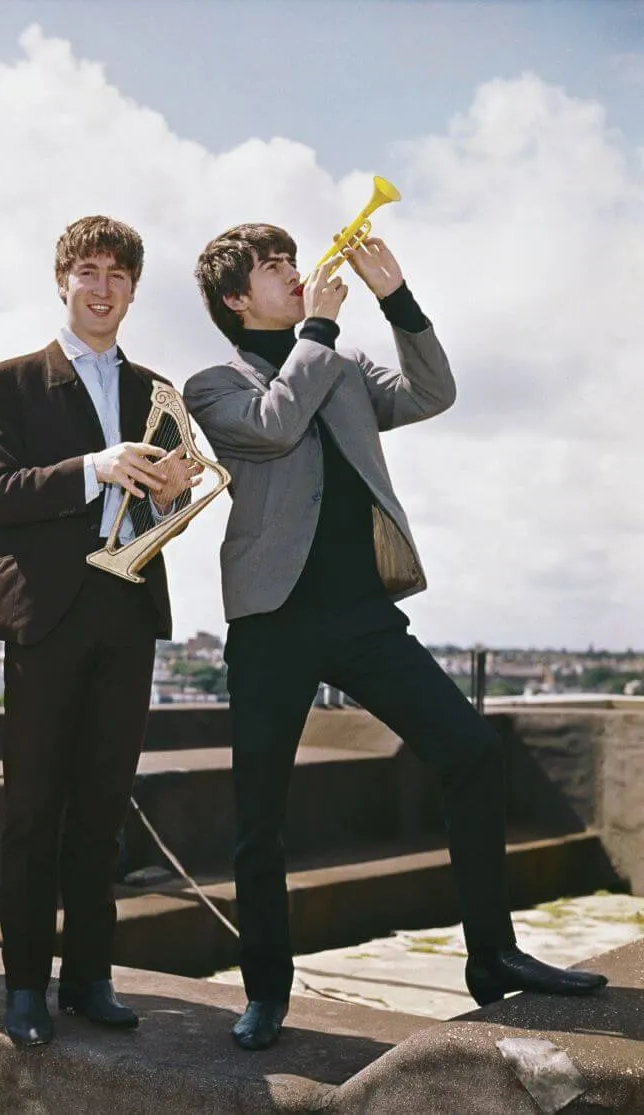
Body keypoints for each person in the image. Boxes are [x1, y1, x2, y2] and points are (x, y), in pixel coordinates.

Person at [183, 225, 608, 1051]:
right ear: (237, 300)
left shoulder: (338, 364)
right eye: (275, 269)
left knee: (472, 751)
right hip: (271, 619)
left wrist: (397, 300)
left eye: (291, 261)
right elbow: (273, 426)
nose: (297, 273)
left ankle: (493, 957)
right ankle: (266, 990)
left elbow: (430, 392)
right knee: (257, 816)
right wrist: (319, 332)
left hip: (361, 611)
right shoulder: (212, 384)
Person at [0, 215, 200, 1047]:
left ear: (134, 289)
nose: (102, 287)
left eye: (118, 275)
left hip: (128, 612)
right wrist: (89, 470)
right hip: (48, 619)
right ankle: (25, 984)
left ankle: (90, 978)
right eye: (88, 271)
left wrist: (174, 493)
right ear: (62, 280)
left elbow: (168, 507)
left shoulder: (156, 388)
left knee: (103, 811)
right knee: (32, 812)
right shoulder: (7, 383)